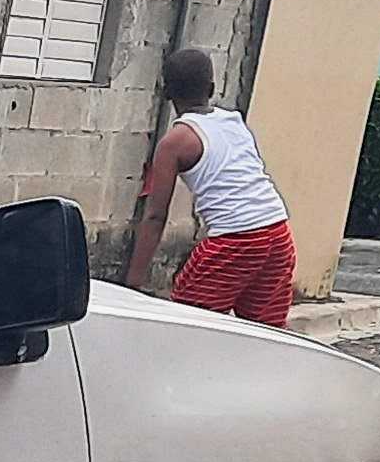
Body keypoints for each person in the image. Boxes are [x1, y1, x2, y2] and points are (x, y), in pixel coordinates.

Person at [124, 46, 296, 329]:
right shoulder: (235, 123)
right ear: (212, 88)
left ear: (165, 92)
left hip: (234, 239)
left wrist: (133, 283)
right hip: (277, 232)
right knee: (266, 332)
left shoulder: (174, 143)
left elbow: (155, 216)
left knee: (188, 327)